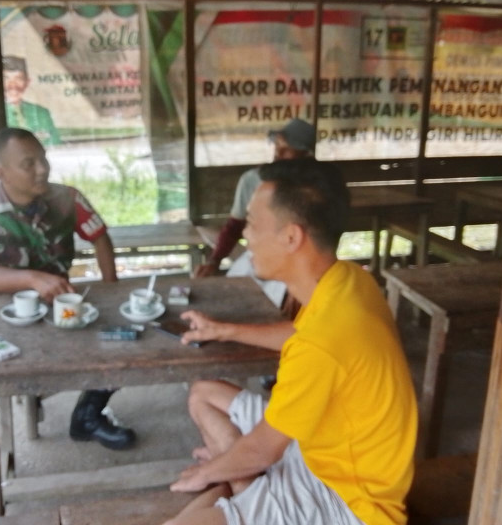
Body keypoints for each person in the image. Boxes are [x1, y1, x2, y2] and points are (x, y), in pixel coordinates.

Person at [165, 158, 417, 525]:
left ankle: (241, 490)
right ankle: (248, 492)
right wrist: (225, 330)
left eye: (252, 223)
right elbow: (301, 335)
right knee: (204, 393)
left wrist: (207, 474)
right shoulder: (348, 280)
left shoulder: (323, 341)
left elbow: (264, 449)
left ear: (291, 237)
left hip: (348, 502)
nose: (245, 235)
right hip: (316, 451)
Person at [0, 128, 135, 483]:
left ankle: (89, 415)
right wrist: (32, 278)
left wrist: (111, 288)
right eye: (28, 163)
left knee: (124, 334)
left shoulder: (67, 199)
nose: (41, 170)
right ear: (0, 172)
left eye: (43, 159)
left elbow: (100, 237)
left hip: (60, 299)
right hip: (0, 307)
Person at [193, 118, 316, 280]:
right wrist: (214, 261)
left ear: (306, 154)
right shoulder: (253, 180)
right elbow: (234, 227)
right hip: (261, 260)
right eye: (277, 145)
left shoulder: (316, 187)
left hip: (301, 264)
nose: (278, 153)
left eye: (287, 149)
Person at [2, 56, 62, 146]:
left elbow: (56, 146)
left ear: (27, 82)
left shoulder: (41, 113)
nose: (13, 85)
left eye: (18, 79)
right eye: (6, 79)